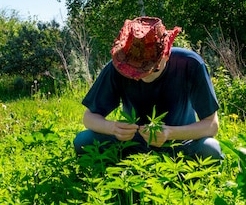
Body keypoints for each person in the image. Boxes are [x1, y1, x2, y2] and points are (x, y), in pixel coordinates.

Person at [73, 16, 224, 160]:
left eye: (152, 68)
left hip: (179, 143)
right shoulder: (118, 67)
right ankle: (120, 171)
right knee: (83, 141)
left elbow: (211, 125)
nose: (143, 76)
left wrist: (170, 133)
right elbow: (89, 118)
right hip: (130, 144)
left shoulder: (190, 64)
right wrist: (113, 128)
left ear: (167, 53)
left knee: (210, 148)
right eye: (134, 71)